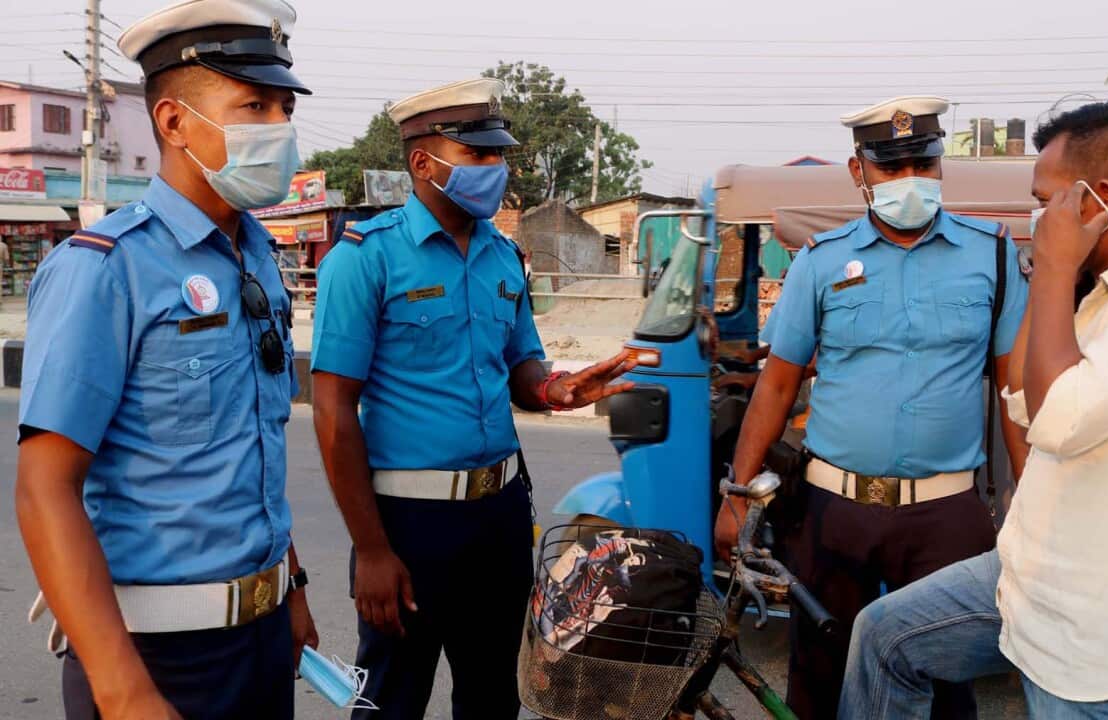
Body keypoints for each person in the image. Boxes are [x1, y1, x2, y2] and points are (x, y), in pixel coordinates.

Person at [838, 99, 1108, 720]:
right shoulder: (1107, 296)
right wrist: (1047, 275)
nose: (1039, 219)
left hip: (1106, 656)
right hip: (1035, 586)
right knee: (883, 638)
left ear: (1099, 199)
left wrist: (1058, 267)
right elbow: (1028, 407)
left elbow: (1055, 420)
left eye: (1047, 201)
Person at [14, 2, 317, 718]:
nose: (279, 129)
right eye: (253, 106)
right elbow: (45, 490)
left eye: (282, 107)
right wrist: (123, 694)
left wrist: (291, 588)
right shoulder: (104, 269)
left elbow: (251, 450)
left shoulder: (257, 259)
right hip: (155, 658)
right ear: (174, 122)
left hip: (263, 635)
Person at [310, 78, 636, 720]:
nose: (496, 169)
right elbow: (332, 410)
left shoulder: (504, 257)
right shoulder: (363, 260)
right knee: (390, 699)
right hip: (407, 525)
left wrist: (556, 388)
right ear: (423, 163)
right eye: (478, 156)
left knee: (492, 695)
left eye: (499, 155)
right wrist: (372, 550)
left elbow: (521, 365)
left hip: (499, 515)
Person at [714, 95, 1031, 719]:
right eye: (892, 166)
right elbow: (776, 387)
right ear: (859, 172)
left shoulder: (990, 255)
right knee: (820, 676)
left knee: (944, 686)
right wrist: (738, 494)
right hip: (835, 513)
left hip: (947, 516)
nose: (910, 177)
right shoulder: (819, 262)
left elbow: (1011, 391)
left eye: (923, 161)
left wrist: (1034, 508)